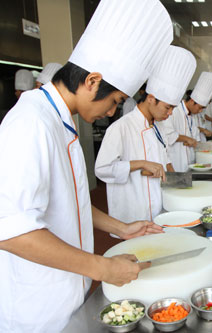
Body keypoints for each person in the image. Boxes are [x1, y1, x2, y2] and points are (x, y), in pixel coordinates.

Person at [0, 0, 173, 331]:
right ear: (93, 81)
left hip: (68, 293)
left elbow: (68, 201)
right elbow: (10, 230)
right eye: (115, 101)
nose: (111, 112)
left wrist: (120, 228)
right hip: (36, 309)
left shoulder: (60, 121)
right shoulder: (29, 124)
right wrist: (102, 268)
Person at [95, 46, 195, 224]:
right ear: (151, 98)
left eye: (173, 108)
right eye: (167, 107)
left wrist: (180, 185)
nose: (170, 113)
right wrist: (140, 164)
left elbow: (166, 161)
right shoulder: (121, 128)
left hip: (159, 206)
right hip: (133, 212)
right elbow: (102, 169)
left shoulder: (159, 127)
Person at [158, 71, 212, 171]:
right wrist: (185, 138)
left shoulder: (193, 116)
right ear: (192, 101)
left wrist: (198, 144)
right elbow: (166, 134)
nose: (200, 111)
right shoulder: (174, 111)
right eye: (200, 108)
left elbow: (194, 139)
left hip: (191, 163)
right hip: (176, 163)